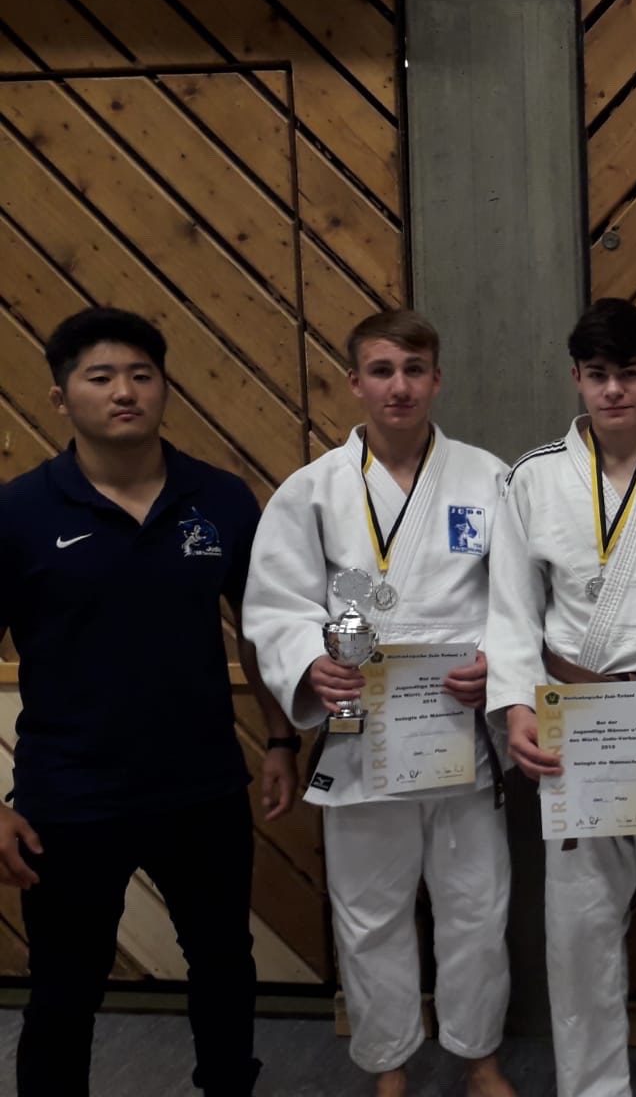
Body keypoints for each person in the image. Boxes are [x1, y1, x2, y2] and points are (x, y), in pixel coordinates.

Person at [0, 308, 297, 1097]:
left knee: (224, 963)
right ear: (61, 397)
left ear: (164, 388)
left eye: (141, 375)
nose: (124, 392)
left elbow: (261, 630)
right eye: (100, 377)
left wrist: (280, 740)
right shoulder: (18, 514)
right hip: (71, 796)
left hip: (201, 786)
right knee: (65, 986)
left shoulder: (221, 500)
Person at [243, 311, 514, 1097]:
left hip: (459, 733)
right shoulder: (312, 491)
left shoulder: (488, 479)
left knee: (477, 909)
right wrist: (309, 664)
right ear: (355, 382)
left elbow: (520, 598)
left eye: (414, 369)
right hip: (362, 736)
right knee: (369, 914)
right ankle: (389, 1063)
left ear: (437, 379)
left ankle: (479, 1056)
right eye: (383, 370)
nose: (400, 386)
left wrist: (499, 666)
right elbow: (275, 606)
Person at [484, 298, 636, 1097]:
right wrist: (517, 705)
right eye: (598, 375)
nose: (614, 390)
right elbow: (512, 610)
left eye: (630, 373)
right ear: (576, 378)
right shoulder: (533, 477)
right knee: (581, 932)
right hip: (579, 728)